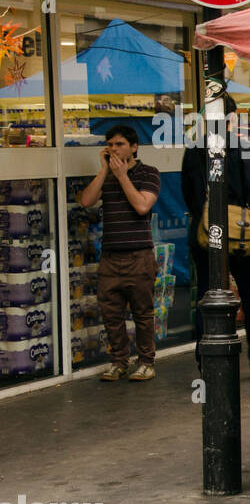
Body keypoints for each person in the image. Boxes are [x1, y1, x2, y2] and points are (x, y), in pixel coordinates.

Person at [182, 98, 250, 377]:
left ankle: (207, 361)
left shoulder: (193, 150)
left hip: (204, 233)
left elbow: (189, 196)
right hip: (239, 233)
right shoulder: (243, 148)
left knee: (206, 294)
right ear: (231, 117)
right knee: (249, 292)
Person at [79, 125, 161, 382]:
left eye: (119, 144)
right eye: (110, 145)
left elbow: (141, 205)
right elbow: (86, 200)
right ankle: (119, 361)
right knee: (111, 313)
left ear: (134, 147)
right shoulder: (107, 175)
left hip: (139, 256)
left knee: (142, 313)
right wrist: (105, 170)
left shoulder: (149, 173)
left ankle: (146, 361)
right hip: (111, 256)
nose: (113, 149)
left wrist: (123, 175)